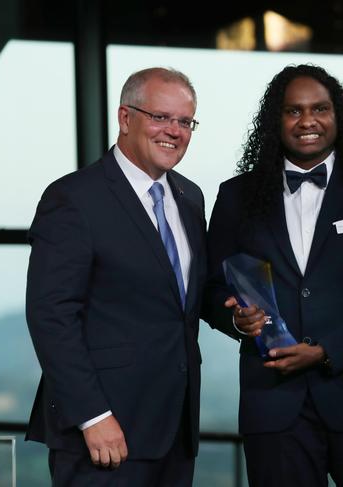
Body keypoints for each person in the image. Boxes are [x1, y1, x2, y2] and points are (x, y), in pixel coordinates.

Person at [203, 64, 343, 486]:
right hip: (274, 410)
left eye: (320, 108)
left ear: (338, 116)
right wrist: (234, 318)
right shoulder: (237, 197)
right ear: (276, 121)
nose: (308, 121)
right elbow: (211, 290)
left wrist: (324, 351)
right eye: (293, 111)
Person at [25, 67, 206, 487]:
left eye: (185, 121)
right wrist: (93, 416)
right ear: (125, 118)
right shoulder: (73, 198)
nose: (174, 131)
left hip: (175, 429)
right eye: (161, 117)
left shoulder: (189, 197)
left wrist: (240, 314)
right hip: (104, 434)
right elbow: (51, 316)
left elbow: (185, 297)